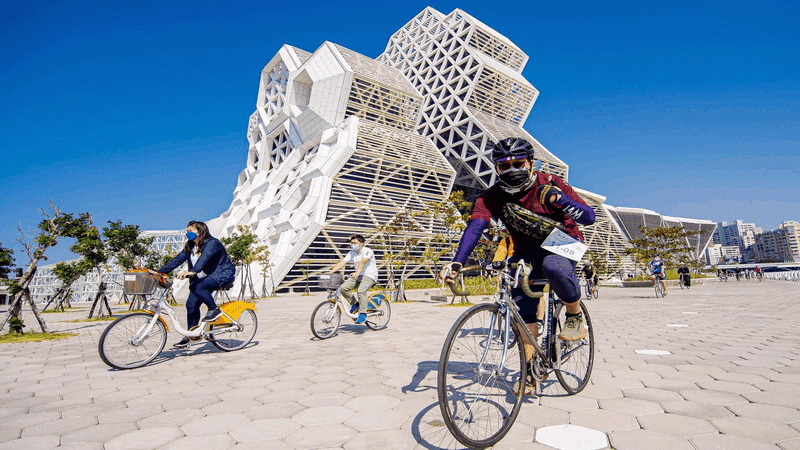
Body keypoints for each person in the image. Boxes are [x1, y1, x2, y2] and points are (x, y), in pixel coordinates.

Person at [438, 137, 596, 394]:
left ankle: (574, 314)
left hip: (562, 243)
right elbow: (475, 226)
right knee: (524, 313)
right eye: (504, 165)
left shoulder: (551, 182)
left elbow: (589, 217)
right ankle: (530, 369)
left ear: (530, 163)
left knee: (555, 267)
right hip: (525, 251)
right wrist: (457, 261)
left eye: (518, 163)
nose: (512, 169)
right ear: (496, 168)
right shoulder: (491, 196)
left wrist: (560, 200)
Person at [158, 221, 236, 348]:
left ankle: (213, 309)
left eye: (191, 231)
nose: (188, 233)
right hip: (202, 279)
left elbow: (204, 258)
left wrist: (192, 271)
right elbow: (178, 259)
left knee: (196, 286)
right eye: (187, 231)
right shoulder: (190, 246)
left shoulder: (212, 243)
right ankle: (191, 335)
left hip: (222, 275)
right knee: (191, 305)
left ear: (200, 231)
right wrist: (160, 272)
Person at [329, 234, 379, 325]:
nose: (353, 244)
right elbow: (342, 262)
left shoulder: (368, 251)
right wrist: (331, 272)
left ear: (362, 243)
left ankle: (363, 313)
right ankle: (355, 304)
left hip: (370, 275)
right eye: (351, 243)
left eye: (355, 243)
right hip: (358, 275)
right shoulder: (351, 253)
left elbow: (362, 262)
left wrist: (357, 273)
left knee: (361, 291)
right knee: (342, 288)